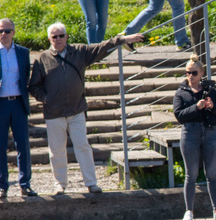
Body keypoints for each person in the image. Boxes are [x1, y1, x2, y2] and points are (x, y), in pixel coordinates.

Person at [28, 22, 144, 194]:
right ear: (49, 39)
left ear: (67, 37)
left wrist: (121, 39)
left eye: (61, 35)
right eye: (54, 36)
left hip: (76, 109)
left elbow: (101, 47)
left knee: (83, 146)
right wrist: (47, 99)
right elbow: (33, 86)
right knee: (56, 150)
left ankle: (91, 183)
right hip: (54, 112)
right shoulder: (42, 58)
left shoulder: (79, 52)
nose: (58, 39)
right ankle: (59, 184)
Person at [0, 18, 36, 199]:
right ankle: (2, 185)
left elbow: (25, 76)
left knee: (23, 145)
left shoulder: (23, 52)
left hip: (18, 102)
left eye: (7, 31)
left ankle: (25, 184)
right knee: (0, 146)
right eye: (0, 31)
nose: (3, 34)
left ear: (14, 33)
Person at [173, 56, 216, 220]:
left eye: (194, 73)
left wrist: (212, 107)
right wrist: (195, 107)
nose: (190, 76)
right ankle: (189, 210)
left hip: (210, 132)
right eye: (187, 73)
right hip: (190, 133)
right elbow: (179, 116)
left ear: (202, 73)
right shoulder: (181, 92)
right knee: (191, 174)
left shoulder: (210, 91)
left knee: (212, 173)